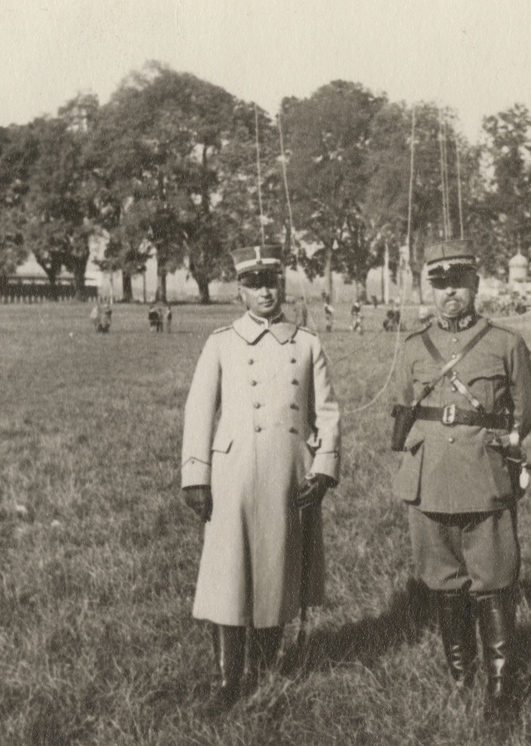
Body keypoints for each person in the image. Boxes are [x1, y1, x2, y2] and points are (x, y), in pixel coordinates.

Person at [180, 245, 341, 714]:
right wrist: (196, 475)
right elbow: (198, 410)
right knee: (227, 574)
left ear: (281, 286)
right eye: (254, 284)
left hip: (287, 472)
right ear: (240, 291)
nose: (264, 292)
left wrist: (324, 468)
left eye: (271, 282)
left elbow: (328, 412)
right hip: (231, 476)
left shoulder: (306, 343)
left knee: (276, 570)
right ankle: (228, 680)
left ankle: (265, 670)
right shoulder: (221, 343)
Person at [390, 240, 531, 713]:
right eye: (440, 284)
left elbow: (525, 409)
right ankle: (461, 676)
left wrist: (507, 443)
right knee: (443, 580)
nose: (449, 292)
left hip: (484, 476)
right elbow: (402, 406)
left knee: (493, 577)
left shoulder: (505, 343)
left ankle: (500, 685)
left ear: (475, 284)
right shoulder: (413, 348)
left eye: (458, 282)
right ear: (429, 290)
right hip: (429, 479)